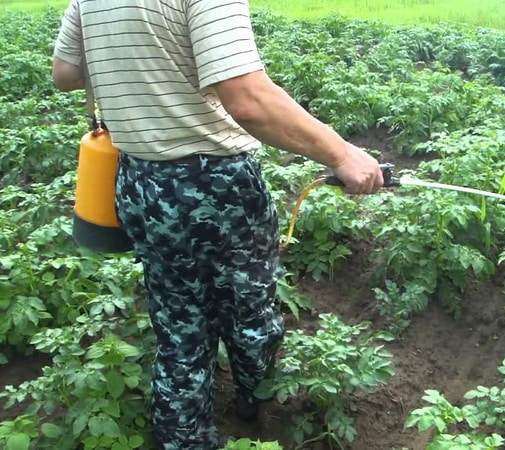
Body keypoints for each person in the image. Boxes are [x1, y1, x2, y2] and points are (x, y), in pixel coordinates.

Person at [52, 1, 384, 448]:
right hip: (214, 185)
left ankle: (182, 438)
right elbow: (247, 100)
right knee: (248, 308)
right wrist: (343, 155)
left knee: (177, 321)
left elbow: (66, 73)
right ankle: (252, 396)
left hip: (139, 181)